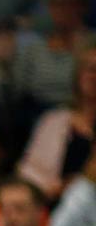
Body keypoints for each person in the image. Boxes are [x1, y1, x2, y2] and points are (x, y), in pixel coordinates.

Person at [18, 46, 96, 202]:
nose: (94, 76)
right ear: (78, 75)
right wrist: (61, 187)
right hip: (55, 205)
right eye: (90, 69)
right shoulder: (53, 121)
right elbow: (29, 173)